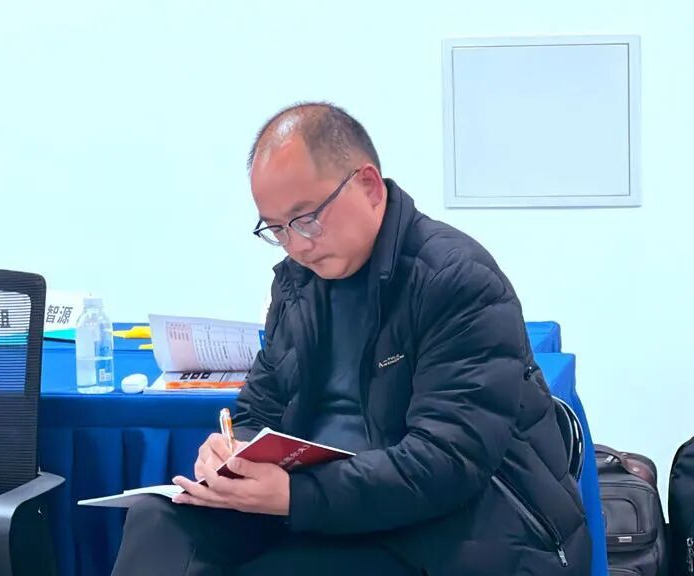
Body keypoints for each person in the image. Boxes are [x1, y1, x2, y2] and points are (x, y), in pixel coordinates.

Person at [111, 102, 592, 575]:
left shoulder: (454, 280)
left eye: (306, 218)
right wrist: (233, 452)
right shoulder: (297, 286)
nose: (297, 244)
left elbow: (447, 462)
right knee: (160, 522)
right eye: (276, 229)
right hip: (330, 509)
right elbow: (260, 408)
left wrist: (295, 496)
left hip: (456, 529)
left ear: (369, 186)